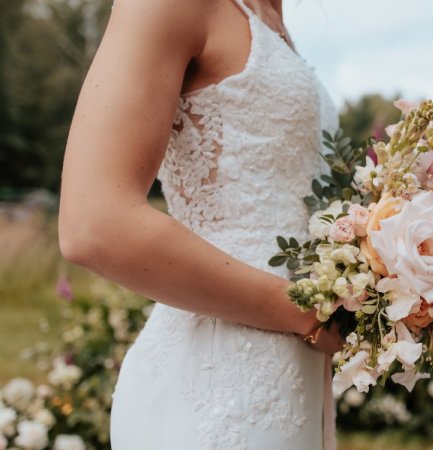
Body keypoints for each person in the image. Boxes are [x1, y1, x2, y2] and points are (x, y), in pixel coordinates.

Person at [57, 0, 342, 448]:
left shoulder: (273, 17)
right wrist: (307, 314)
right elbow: (93, 223)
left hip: (299, 374)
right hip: (217, 379)